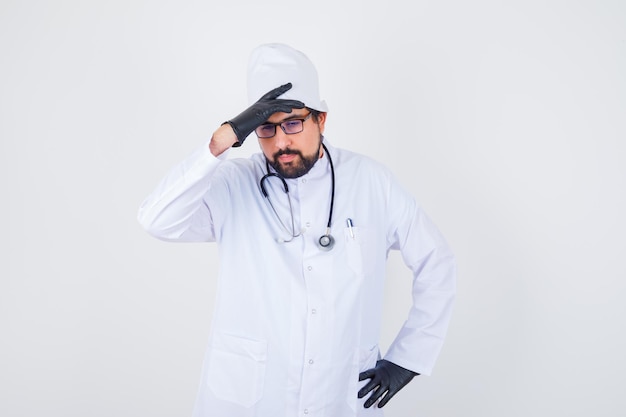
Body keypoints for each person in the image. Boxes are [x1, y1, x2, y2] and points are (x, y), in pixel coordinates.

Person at [138, 43, 456, 417]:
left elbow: (437, 262)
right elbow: (156, 219)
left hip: (341, 394)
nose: (281, 141)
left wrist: (410, 356)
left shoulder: (372, 182)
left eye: (293, 123)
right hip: (249, 398)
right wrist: (220, 141)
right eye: (265, 128)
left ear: (321, 119)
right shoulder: (233, 184)